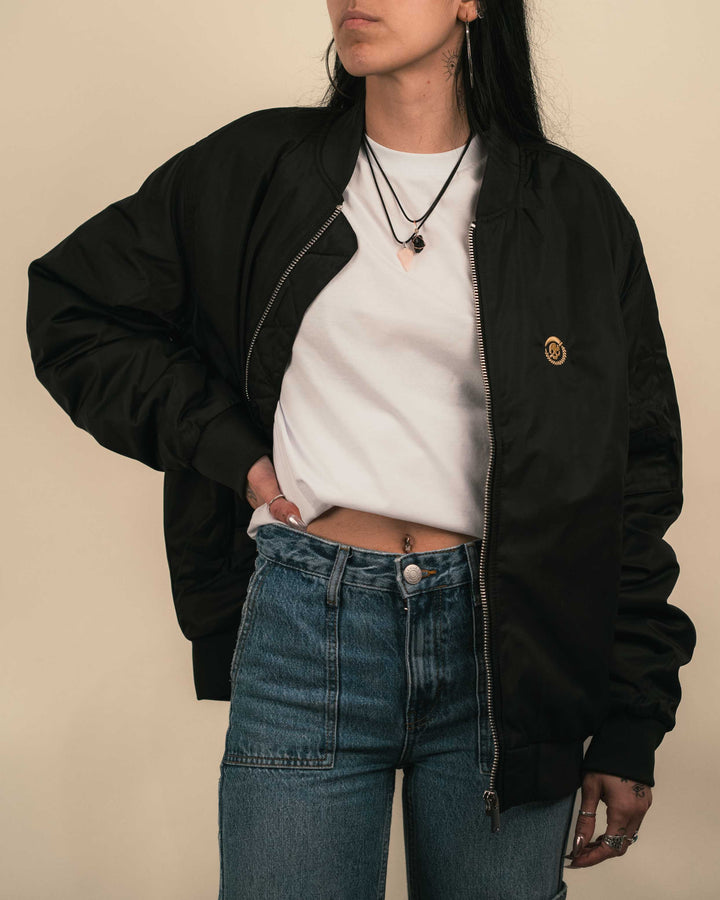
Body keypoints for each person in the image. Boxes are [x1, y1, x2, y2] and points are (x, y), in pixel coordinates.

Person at [26, 1, 696, 897]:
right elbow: (73, 308)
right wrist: (236, 454)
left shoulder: (573, 211)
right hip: (308, 626)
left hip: (509, 648)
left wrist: (630, 719)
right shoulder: (258, 167)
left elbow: (637, 477)